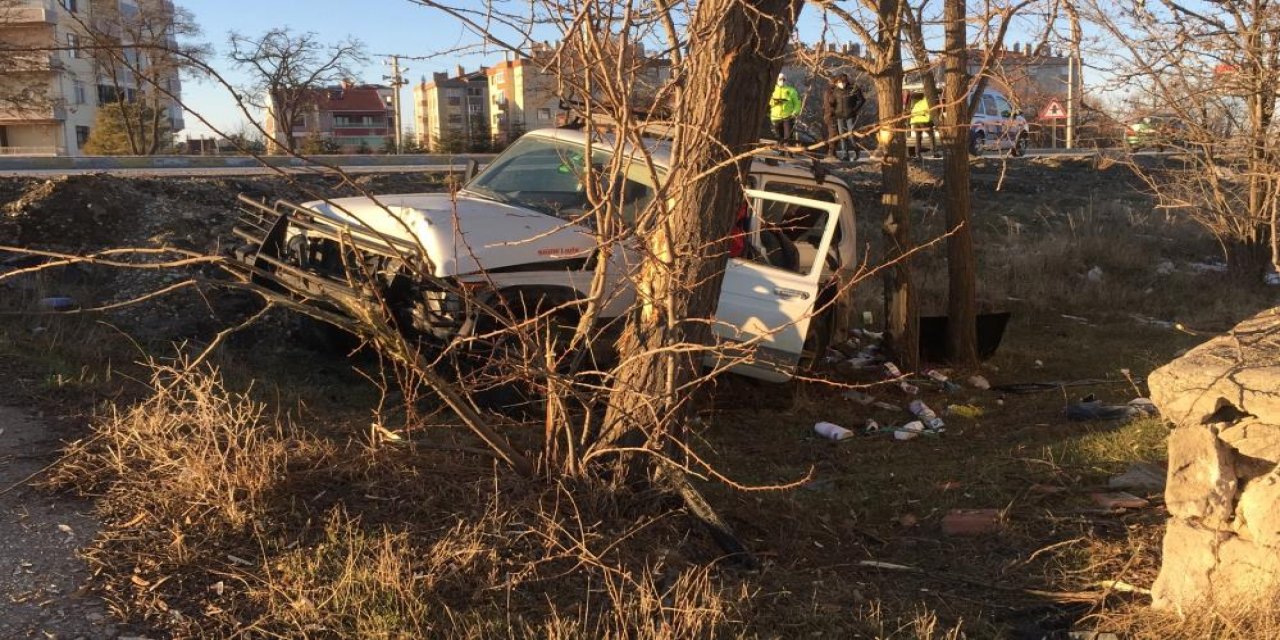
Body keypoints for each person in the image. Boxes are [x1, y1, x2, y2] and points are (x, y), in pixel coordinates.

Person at [824, 73, 866, 161]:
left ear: (847, 81)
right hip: (839, 116)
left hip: (850, 116)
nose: (841, 83)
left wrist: (855, 110)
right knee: (842, 136)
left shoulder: (853, 89)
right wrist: (831, 106)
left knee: (851, 135)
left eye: (843, 81)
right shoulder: (835, 90)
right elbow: (832, 102)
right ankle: (845, 154)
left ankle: (856, 150)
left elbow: (862, 100)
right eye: (839, 82)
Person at [770, 73, 802, 144]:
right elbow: (767, 101)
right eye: (780, 79)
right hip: (775, 117)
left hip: (788, 116)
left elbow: (797, 102)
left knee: (788, 137)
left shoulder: (791, 90)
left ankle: (789, 153)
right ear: (777, 80)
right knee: (779, 137)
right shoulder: (772, 89)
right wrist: (775, 102)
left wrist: (795, 112)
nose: (782, 81)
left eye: (784, 79)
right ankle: (781, 152)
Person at [909, 92, 940, 161]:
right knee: (931, 135)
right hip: (923, 120)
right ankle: (935, 152)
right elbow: (933, 113)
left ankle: (917, 154)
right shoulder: (929, 102)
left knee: (918, 137)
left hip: (915, 121)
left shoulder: (918, 103)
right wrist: (935, 124)